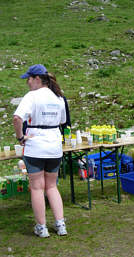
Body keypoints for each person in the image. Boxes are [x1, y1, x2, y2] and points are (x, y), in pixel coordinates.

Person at [13, 64, 68, 238]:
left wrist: (20, 137)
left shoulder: (32, 96)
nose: (27, 83)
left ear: (37, 79)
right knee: (52, 186)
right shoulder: (58, 97)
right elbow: (62, 121)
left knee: (37, 188)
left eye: (28, 79)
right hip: (54, 147)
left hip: (36, 147)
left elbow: (17, 118)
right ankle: (61, 225)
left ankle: (41, 227)